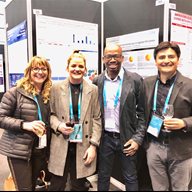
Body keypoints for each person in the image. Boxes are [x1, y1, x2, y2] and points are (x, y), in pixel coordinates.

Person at [92, 43, 146, 191]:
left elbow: (143, 113)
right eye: (109, 56)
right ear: (103, 59)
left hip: (127, 138)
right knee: (103, 176)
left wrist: (137, 139)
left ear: (122, 57)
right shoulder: (97, 81)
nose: (112, 59)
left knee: (130, 176)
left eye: (116, 55)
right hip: (105, 138)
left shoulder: (135, 80)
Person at [48, 50, 102, 191]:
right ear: (67, 68)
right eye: (73, 66)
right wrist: (59, 126)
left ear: (85, 69)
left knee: (79, 185)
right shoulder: (55, 88)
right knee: (57, 185)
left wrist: (94, 146)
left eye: (80, 66)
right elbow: (50, 115)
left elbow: (97, 118)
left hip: (83, 144)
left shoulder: (93, 89)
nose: (77, 69)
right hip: (61, 141)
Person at [144, 41, 192, 191]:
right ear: (156, 61)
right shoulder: (147, 83)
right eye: (161, 57)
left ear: (178, 59)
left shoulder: (189, 85)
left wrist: (184, 123)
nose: (166, 60)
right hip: (154, 147)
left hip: (181, 150)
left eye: (171, 56)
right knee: (159, 188)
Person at [0, 55, 52, 191]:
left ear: (48, 72)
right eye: (36, 68)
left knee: (33, 187)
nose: (40, 72)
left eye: (43, 69)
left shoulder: (47, 95)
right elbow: (1, 118)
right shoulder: (15, 93)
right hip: (18, 151)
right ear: (29, 71)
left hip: (39, 150)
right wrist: (25, 125)